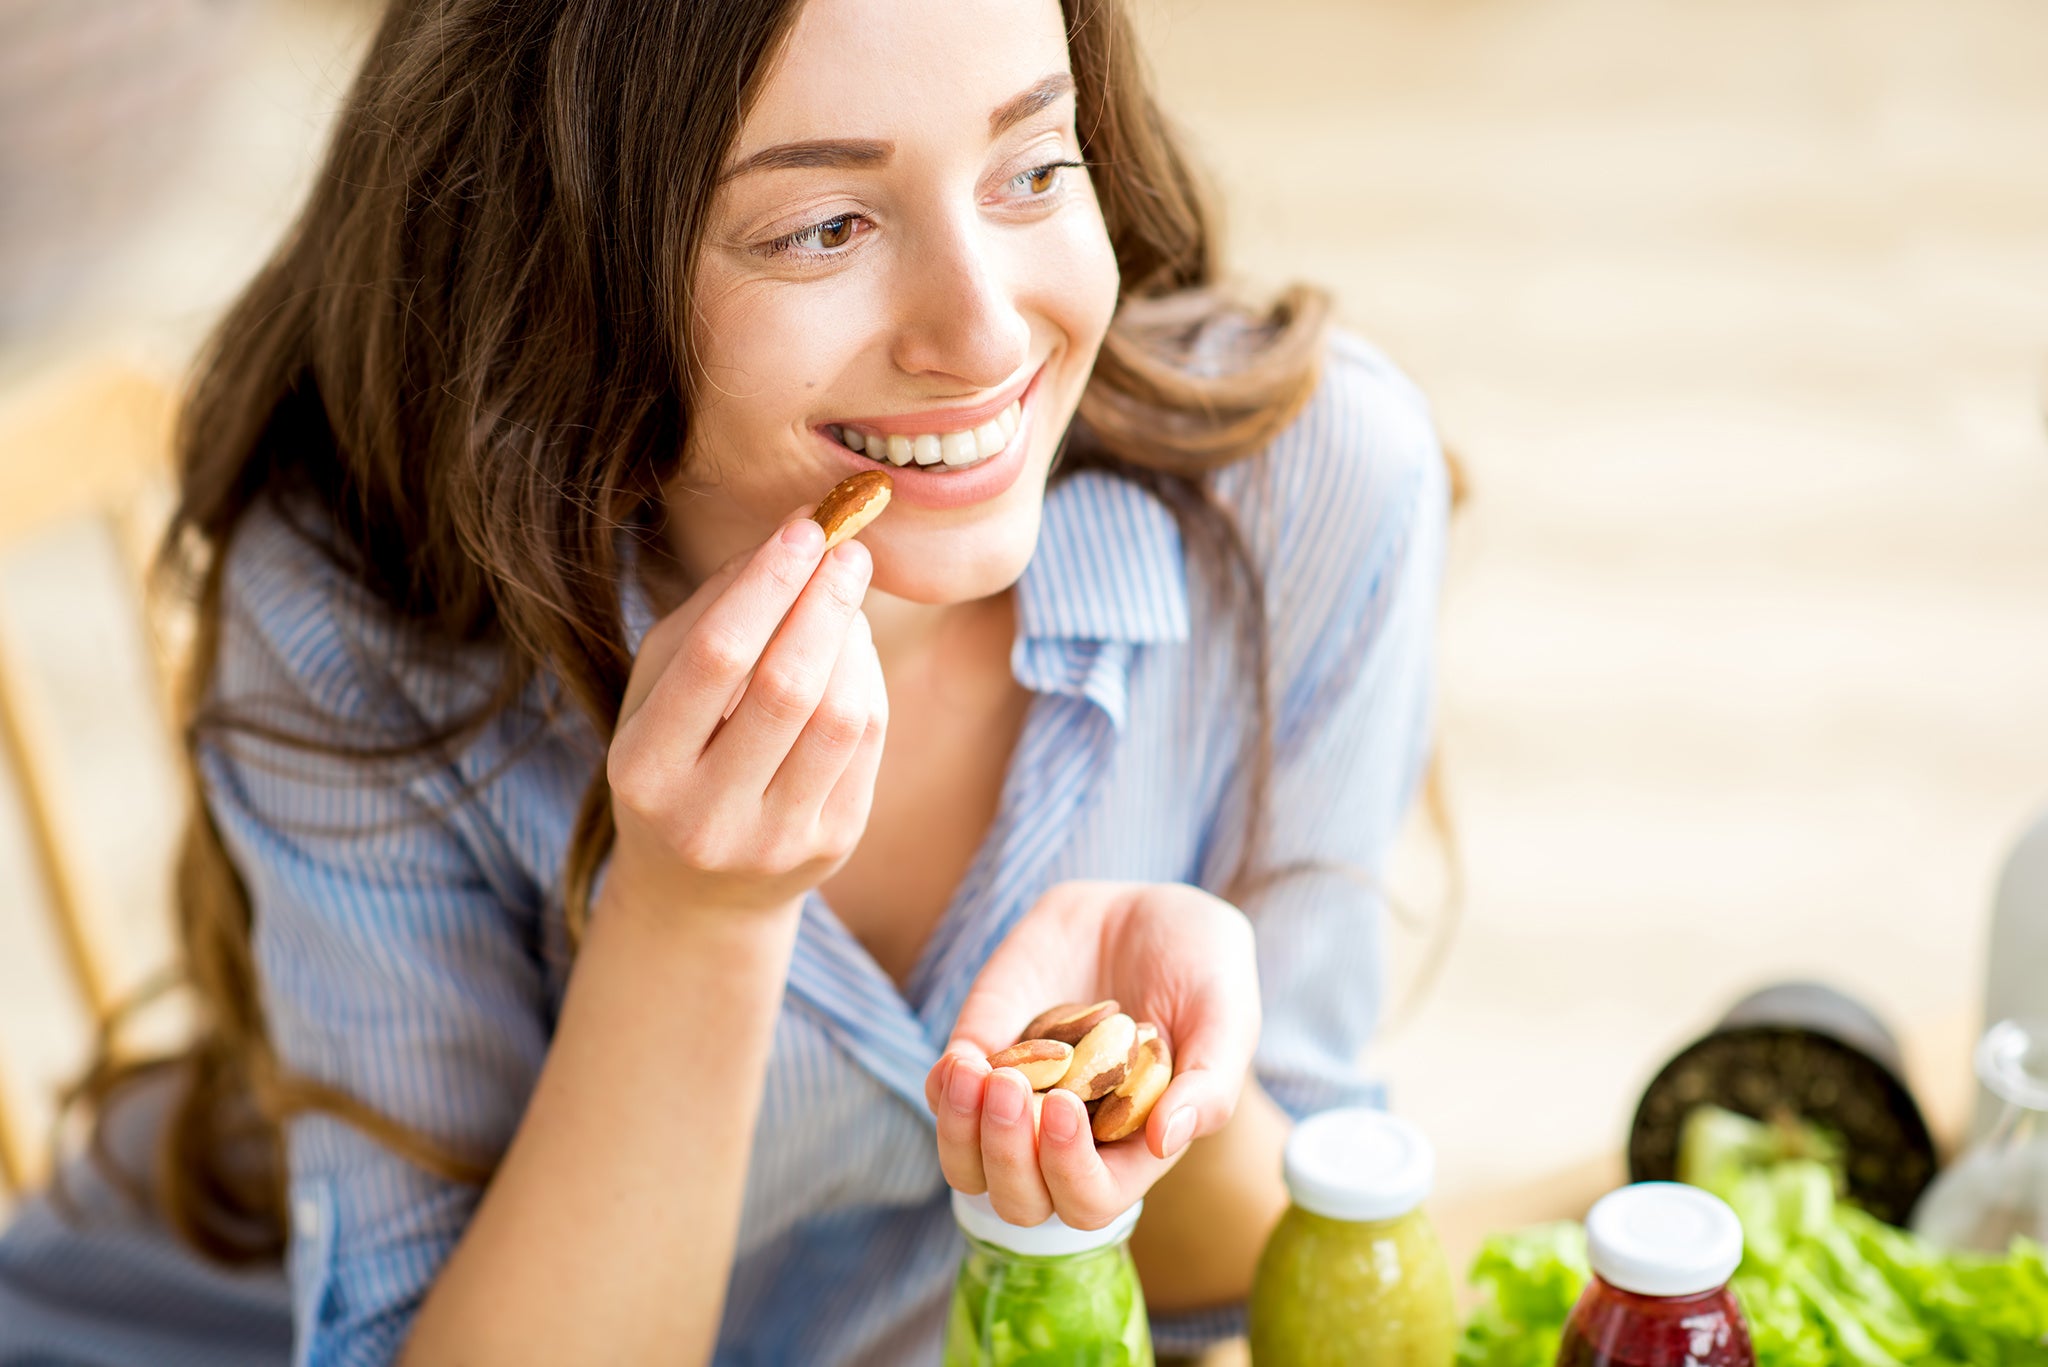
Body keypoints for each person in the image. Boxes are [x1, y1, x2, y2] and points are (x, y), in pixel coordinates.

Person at [0, 0, 1451, 1362]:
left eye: (1033, 167)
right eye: (823, 227)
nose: (987, 336)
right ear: (554, 268)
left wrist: (1138, 1099)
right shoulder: (356, 613)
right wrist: (691, 918)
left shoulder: (1307, 496)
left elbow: (1250, 1277)